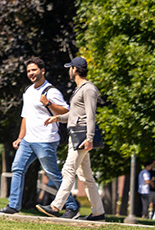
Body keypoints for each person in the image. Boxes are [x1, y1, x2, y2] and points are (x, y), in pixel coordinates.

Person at [0, 56, 77, 216]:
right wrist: (20, 137)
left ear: (42, 71)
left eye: (34, 70)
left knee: (53, 174)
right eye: (28, 71)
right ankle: (13, 206)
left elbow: (67, 111)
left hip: (46, 140)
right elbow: (25, 116)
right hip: (28, 140)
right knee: (17, 168)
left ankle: (72, 206)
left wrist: (48, 103)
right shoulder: (28, 91)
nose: (31, 73)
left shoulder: (51, 91)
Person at [37, 56, 105, 221]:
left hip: (81, 137)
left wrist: (89, 138)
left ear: (75, 69)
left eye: (70, 68)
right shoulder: (79, 89)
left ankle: (55, 206)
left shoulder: (88, 89)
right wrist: (57, 118)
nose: (69, 70)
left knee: (68, 170)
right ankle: (98, 212)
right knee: (86, 177)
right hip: (76, 135)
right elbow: (75, 114)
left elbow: (90, 115)